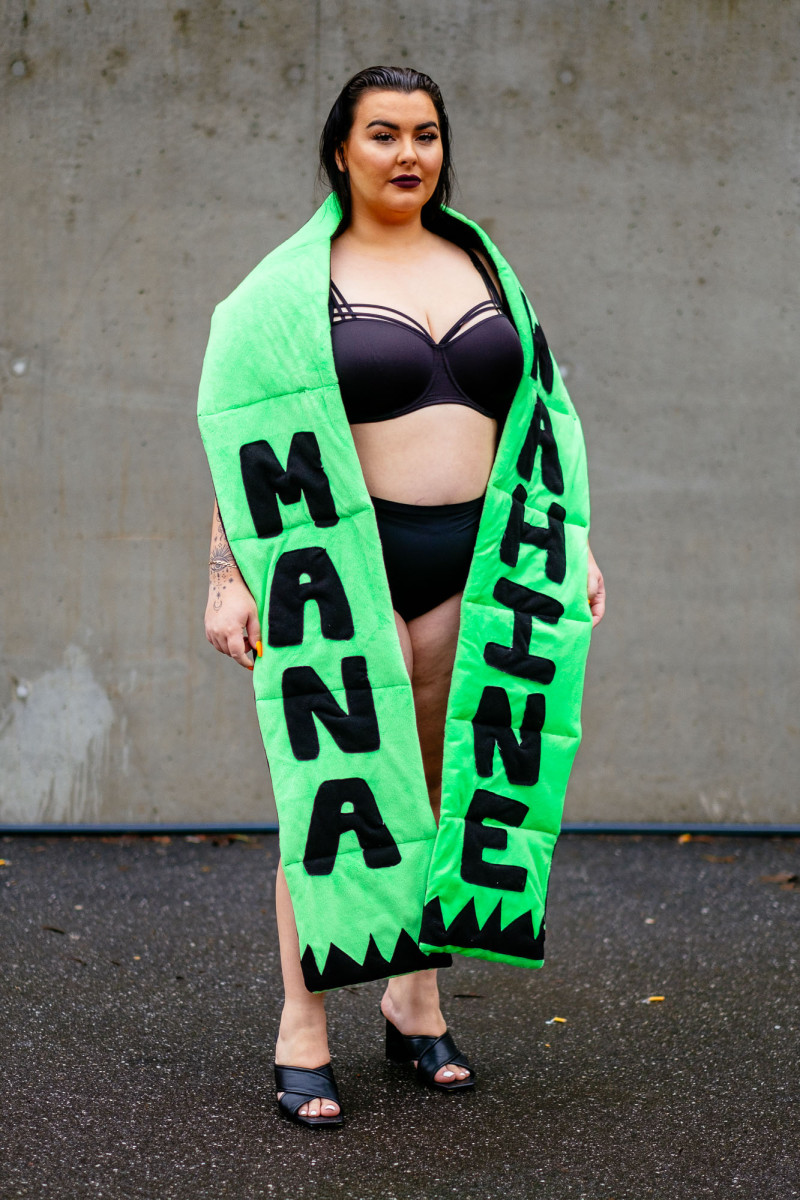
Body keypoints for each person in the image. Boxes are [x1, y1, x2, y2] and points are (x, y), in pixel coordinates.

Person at [202, 65, 606, 1128]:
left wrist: (571, 543)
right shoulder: (286, 289)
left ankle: (412, 1000)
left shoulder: (483, 264)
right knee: (335, 795)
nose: (408, 153)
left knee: (439, 785)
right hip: (345, 560)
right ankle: (302, 1022)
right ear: (341, 150)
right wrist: (227, 575)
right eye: (383, 134)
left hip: (481, 560)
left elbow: (544, 418)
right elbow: (242, 440)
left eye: (424, 134)